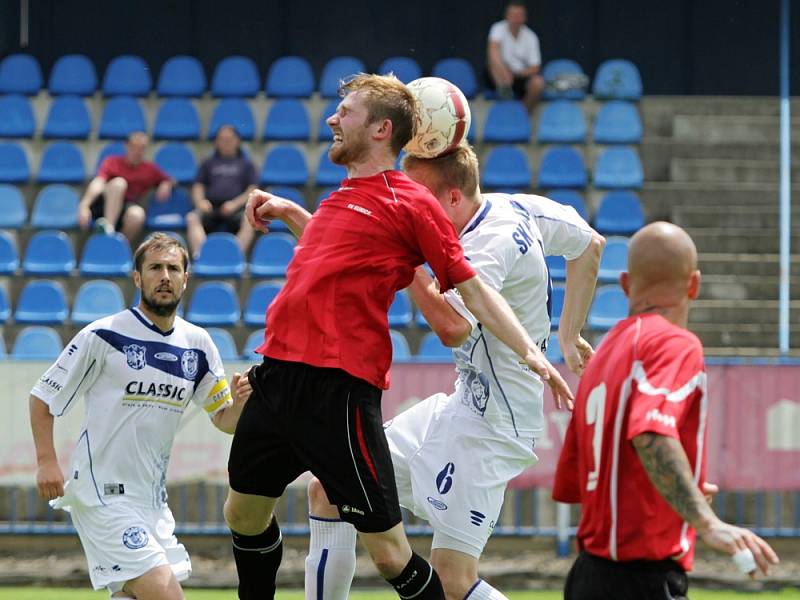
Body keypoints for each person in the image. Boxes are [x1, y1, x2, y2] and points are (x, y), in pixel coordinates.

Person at [223, 73, 573, 600]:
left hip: (338, 387)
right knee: (243, 514)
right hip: (278, 372)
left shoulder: (411, 201)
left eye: (347, 111)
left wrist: (532, 351)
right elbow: (338, 258)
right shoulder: (343, 197)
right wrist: (297, 215)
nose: (332, 119)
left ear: (383, 129)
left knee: (391, 554)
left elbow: (469, 298)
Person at [302, 144, 605, 600]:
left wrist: (404, 262)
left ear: (454, 199)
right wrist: (569, 332)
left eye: (419, 199)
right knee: (329, 489)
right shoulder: (518, 205)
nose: (410, 209)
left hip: (493, 429)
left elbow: (452, 328)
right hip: (460, 407)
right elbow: (589, 245)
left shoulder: (487, 246)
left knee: (451, 580)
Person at [552, 222, 780, 599]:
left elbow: (582, 479)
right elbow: (650, 432)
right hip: (641, 579)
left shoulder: (604, 354)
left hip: (587, 577)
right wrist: (706, 523)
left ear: (625, 284)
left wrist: (678, 489)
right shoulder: (674, 343)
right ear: (694, 285)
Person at [29, 232, 251, 600]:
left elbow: (224, 420)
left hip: (151, 501)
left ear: (185, 278)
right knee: (167, 596)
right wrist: (46, 462)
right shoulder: (103, 335)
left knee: (133, 595)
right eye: (155, 267)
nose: (164, 276)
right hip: (103, 495)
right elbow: (42, 398)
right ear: (137, 278)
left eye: (173, 268)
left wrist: (241, 403)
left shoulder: (198, 344)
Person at [186, 125, 258, 258]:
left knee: (250, 220)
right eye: (222, 139)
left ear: (237, 141)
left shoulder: (246, 164)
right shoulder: (208, 163)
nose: (226, 142)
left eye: (229, 139)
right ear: (216, 142)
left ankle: (235, 256)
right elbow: (198, 186)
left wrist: (234, 204)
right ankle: (202, 256)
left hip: (236, 208)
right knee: (192, 217)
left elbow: (252, 189)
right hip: (211, 207)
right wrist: (200, 202)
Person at [486, 0, 545, 112]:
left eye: (519, 15)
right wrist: (505, 72)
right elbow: (492, 53)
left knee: (538, 83)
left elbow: (535, 67)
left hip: (521, 76)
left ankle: (520, 114)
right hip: (499, 75)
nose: (516, 19)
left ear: (524, 17)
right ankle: (504, 96)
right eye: (513, 15)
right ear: (506, 16)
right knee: (494, 67)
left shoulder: (531, 36)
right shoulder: (497, 28)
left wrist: (517, 73)